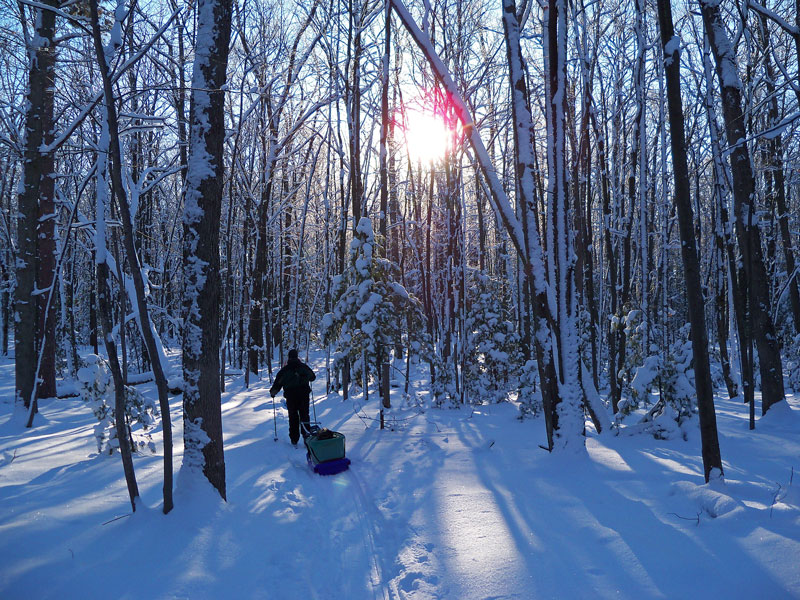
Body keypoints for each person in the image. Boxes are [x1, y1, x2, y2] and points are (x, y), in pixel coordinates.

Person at [270, 349, 316, 446]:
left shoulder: (284, 370)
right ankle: (306, 436)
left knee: (293, 417)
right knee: (304, 415)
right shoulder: (303, 367)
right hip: (304, 395)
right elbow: (312, 377)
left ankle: (294, 439)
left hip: (291, 397)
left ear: (289, 358)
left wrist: (273, 393)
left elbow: (278, 383)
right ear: (297, 357)